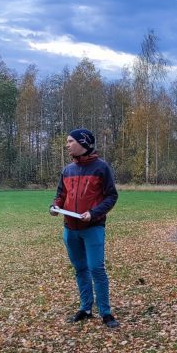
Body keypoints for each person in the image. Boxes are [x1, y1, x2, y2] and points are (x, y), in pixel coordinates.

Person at [51, 128, 120, 328]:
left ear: (84, 143)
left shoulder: (101, 168)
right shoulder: (67, 170)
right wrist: (55, 206)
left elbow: (111, 196)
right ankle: (86, 308)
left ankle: (106, 313)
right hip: (70, 229)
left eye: (70, 141)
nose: (67, 144)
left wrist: (94, 213)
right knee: (80, 269)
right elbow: (60, 195)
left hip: (93, 228)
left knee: (96, 268)